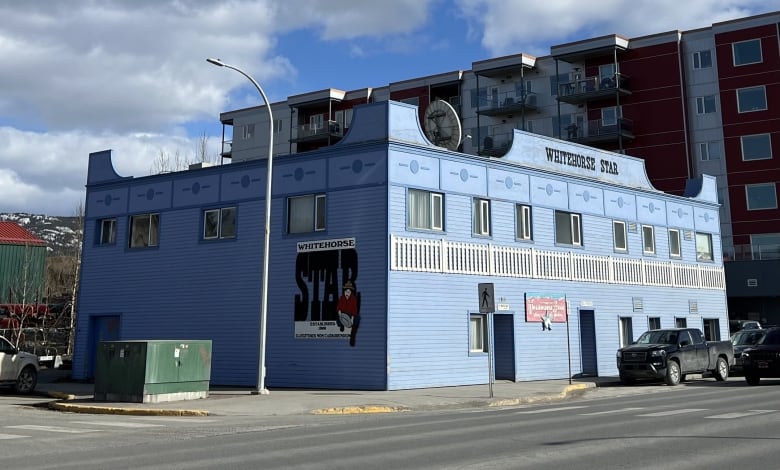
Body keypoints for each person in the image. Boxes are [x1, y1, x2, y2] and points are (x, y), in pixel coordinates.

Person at [337, 280, 360, 347]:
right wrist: (340, 314)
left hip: (350, 315)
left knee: (357, 320)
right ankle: (342, 326)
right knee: (338, 319)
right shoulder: (342, 298)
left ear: (351, 292)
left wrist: (352, 319)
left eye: (348, 292)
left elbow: (354, 310)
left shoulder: (353, 299)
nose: (347, 293)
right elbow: (339, 308)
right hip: (343, 314)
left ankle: (352, 340)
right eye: (346, 291)